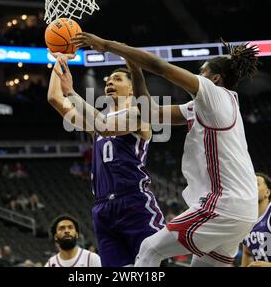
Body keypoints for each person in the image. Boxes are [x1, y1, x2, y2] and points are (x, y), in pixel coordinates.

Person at [72, 33, 259, 267]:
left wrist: (109, 46)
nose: (198, 76)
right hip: (244, 211)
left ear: (216, 78)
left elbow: (160, 66)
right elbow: (149, 112)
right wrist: (137, 73)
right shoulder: (207, 106)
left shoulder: (214, 95)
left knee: (149, 249)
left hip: (223, 205)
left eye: (202, 72)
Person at [47, 54, 165, 266]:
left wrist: (72, 93)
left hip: (134, 203)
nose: (110, 82)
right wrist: (60, 61)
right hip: (102, 209)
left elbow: (105, 125)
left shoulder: (140, 113)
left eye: (118, 79)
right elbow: (55, 99)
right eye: (108, 80)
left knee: (153, 267)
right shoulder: (95, 122)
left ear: (131, 89)